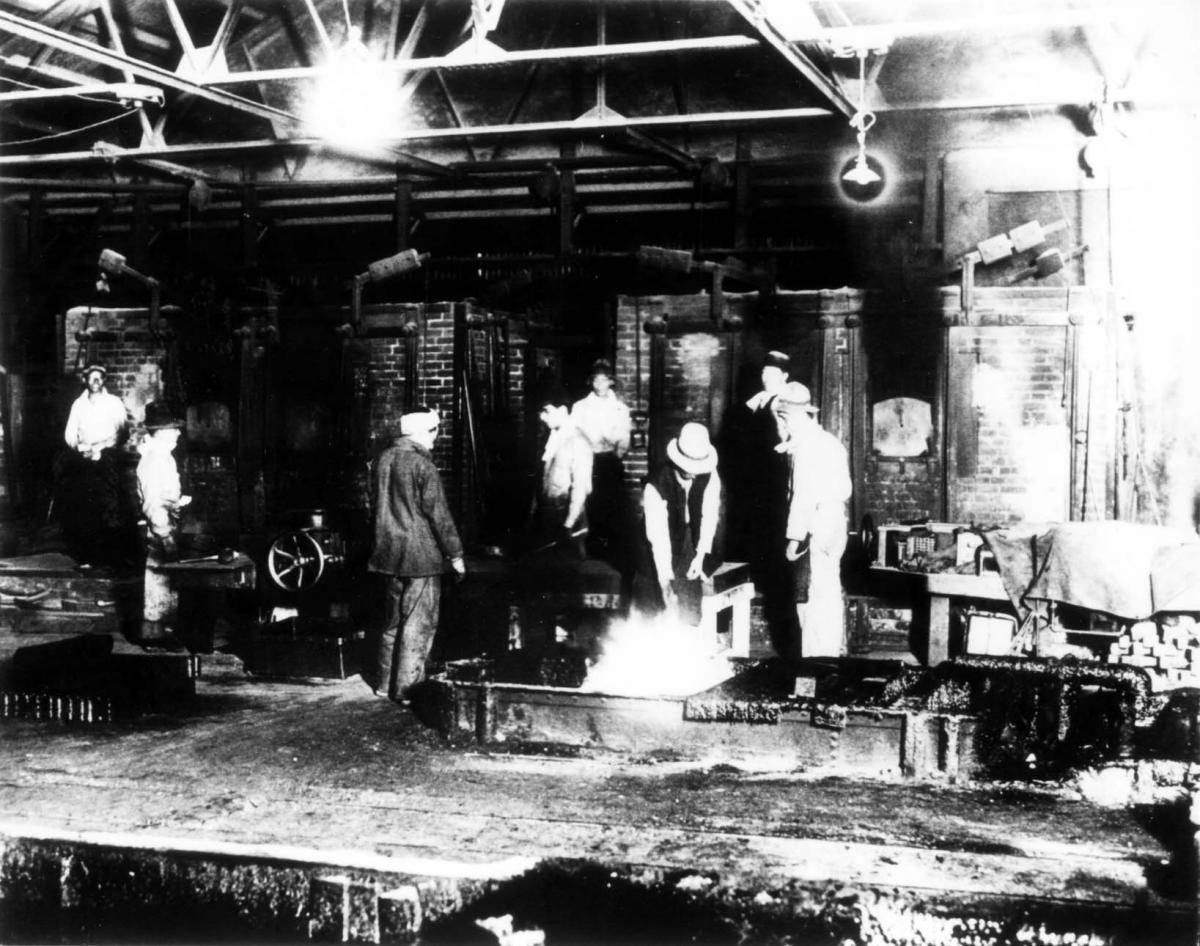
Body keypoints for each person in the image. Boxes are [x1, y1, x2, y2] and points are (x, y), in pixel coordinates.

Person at [368, 406, 465, 703]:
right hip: (421, 558)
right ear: (423, 432)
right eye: (434, 431)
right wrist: (456, 555)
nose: (436, 437)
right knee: (418, 624)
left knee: (392, 622)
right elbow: (440, 516)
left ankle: (384, 683)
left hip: (388, 553)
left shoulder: (382, 460)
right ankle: (408, 689)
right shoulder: (423, 466)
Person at [772, 382, 852, 658]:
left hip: (819, 520)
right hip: (835, 520)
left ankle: (818, 658)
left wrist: (793, 539)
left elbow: (803, 496)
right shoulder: (827, 441)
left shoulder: (808, 448)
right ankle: (830, 652)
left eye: (783, 420)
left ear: (790, 417)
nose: (783, 427)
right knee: (827, 588)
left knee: (816, 593)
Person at [640, 422, 722, 625]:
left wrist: (700, 556)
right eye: (689, 468)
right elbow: (658, 538)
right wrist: (665, 581)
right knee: (653, 602)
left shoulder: (710, 475)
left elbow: (709, 516)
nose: (694, 474)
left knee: (689, 602)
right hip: (657, 542)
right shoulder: (656, 485)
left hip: (689, 534)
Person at [61, 363, 129, 566]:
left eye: (100, 377)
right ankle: (88, 557)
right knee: (86, 507)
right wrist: (81, 447)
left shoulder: (114, 403)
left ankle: (111, 559)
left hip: (108, 460)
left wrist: (101, 446)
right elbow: (69, 434)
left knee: (110, 507)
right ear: (86, 380)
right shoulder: (78, 404)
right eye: (92, 377)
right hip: (84, 461)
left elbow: (123, 432)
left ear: (104, 380)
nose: (96, 381)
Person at [135, 401, 189, 650]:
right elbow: (153, 504)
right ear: (159, 431)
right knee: (158, 580)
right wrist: (165, 534)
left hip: (169, 523)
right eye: (173, 428)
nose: (178, 432)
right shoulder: (154, 460)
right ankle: (153, 636)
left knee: (166, 581)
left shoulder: (163, 457)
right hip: (161, 528)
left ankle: (163, 632)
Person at [571, 359, 632, 568]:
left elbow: (624, 436)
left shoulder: (620, 408)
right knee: (592, 502)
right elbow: (574, 432)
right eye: (596, 380)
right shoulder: (581, 407)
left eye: (604, 380)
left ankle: (612, 549)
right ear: (591, 382)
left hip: (611, 461)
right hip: (589, 461)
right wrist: (589, 446)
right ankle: (594, 548)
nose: (600, 385)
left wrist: (617, 452)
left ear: (611, 382)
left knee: (613, 503)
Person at [530, 387, 593, 559]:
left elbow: (580, 487)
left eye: (546, 412)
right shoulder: (552, 438)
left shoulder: (578, 441)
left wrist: (568, 524)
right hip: (548, 516)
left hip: (567, 522)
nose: (542, 417)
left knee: (567, 567)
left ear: (563, 410)